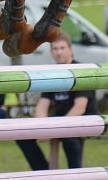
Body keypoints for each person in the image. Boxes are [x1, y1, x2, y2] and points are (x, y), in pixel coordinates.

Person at [15, 32, 98, 170]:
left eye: (62, 48)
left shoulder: (82, 71)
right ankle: (44, 172)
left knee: (68, 135)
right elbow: (42, 106)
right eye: (55, 49)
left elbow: (80, 108)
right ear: (51, 51)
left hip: (82, 119)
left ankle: (76, 175)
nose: (59, 53)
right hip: (60, 119)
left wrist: (58, 128)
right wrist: (42, 129)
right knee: (22, 134)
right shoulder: (52, 73)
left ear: (70, 50)